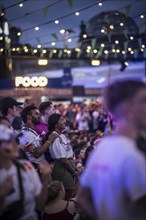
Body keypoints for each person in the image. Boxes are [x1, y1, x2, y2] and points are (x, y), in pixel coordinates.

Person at [79, 80, 146, 220]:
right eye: (144, 100)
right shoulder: (133, 156)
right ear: (129, 109)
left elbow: (83, 197)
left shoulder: (102, 147)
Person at [0, 124, 51, 220]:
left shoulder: (26, 166)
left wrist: (45, 178)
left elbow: (39, 205)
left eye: (14, 141)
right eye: (9, 142)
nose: (15, 145)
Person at [47, 113, 77, 200]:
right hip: (63, 168)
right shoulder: (55, 137)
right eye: (61, 120)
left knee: (72, 190)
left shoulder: (62, 135)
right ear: (56, 124)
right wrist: (73, 172)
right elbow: (63, 159)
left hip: (68, 166)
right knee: (68, 192)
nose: (64, 121)